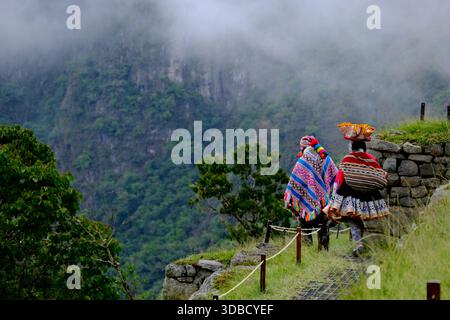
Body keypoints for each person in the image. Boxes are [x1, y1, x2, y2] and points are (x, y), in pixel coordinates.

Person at [324, 122, 390, 257]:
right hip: (368, 196)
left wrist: (335, 197)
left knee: (353, 220)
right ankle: (369, 244)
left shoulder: (348, 158)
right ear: (364, 147)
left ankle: (358, 244)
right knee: (364, 219)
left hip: (349, 196)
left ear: (352, 147)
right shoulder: (371, 159)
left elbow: (340, 178)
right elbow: (378, 174)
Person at [284, 136, 338, 249]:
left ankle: (307, 250)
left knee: (305, 225)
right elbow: (335, 176)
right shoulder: (326, 158)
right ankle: (323, 249)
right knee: (322, 225)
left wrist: (292, 197)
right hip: (323, 202)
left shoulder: (302, 161)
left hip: (305, 203)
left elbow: (294, 182)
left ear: (303, 147)